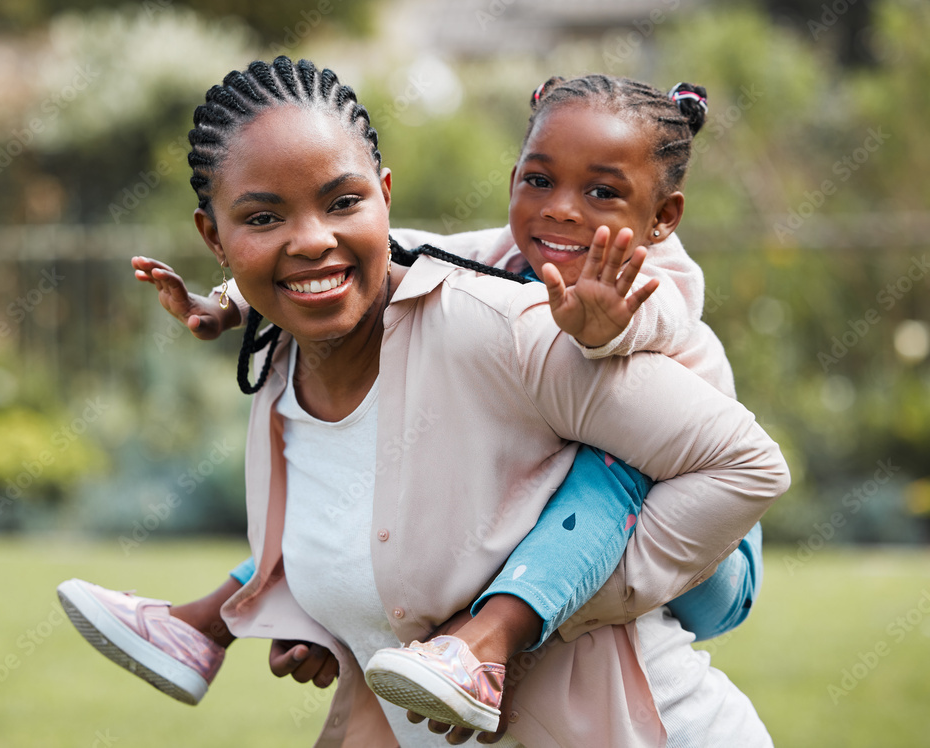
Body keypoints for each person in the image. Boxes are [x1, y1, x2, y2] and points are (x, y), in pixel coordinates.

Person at [59, 57, 788, 746]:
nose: (562, 210)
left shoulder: (621, 293)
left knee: (595, 484)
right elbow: (403, 246)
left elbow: (743, 462)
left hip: (697, 539)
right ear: (211, 236)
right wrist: (332, 618)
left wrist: (606, 332)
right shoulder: (323, 340)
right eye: (539, 180)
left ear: (662, 216)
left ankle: (496, 634)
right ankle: (202, 624)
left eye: (602, 192)